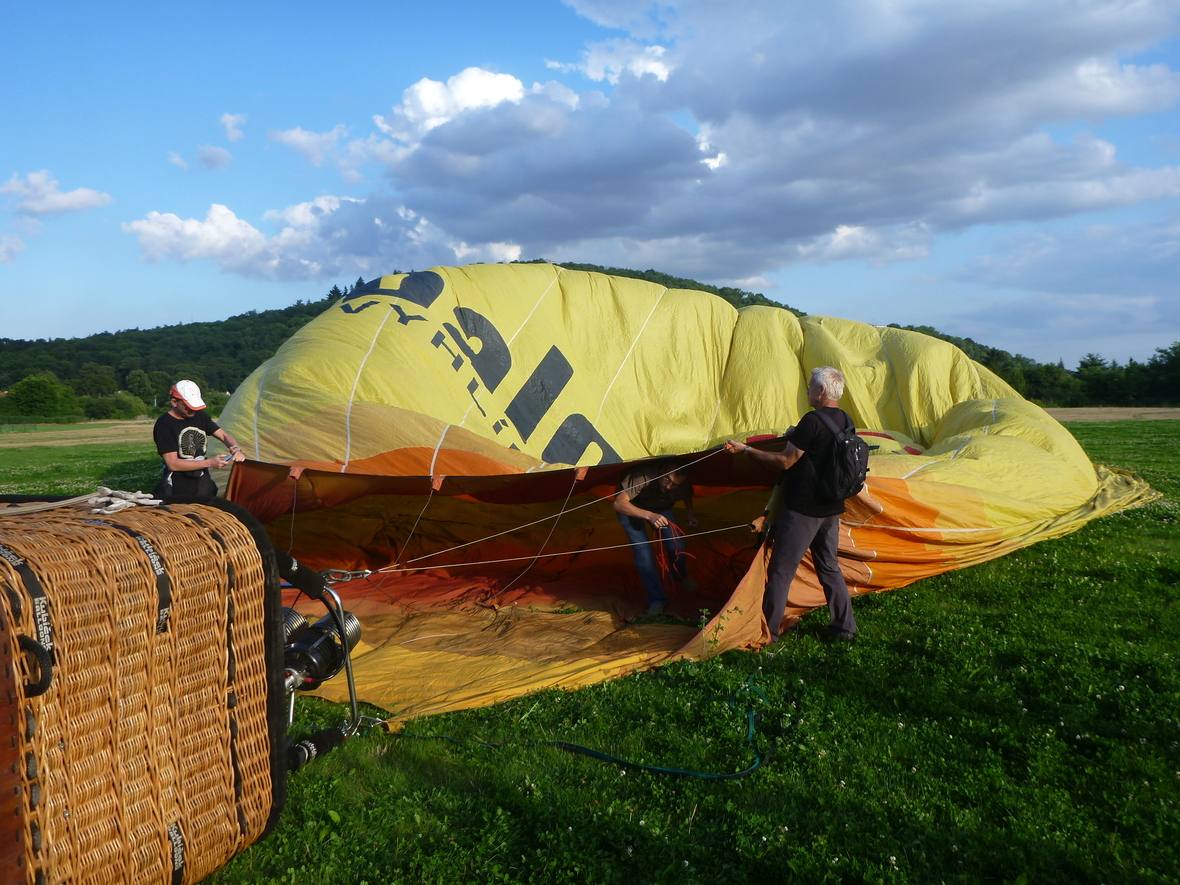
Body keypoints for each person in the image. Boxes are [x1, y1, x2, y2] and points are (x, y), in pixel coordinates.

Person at [725, 366, 859, 642]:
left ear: (821, 391)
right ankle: (845, 627)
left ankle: (769, 632)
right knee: (829, 566)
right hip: (831, 508)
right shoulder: (845, 419)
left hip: (803, 509)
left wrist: (747, 451)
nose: (808, 390)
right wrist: (796, 435)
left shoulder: (812, 421)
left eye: (811, 386)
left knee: (781, 571)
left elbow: (786, 461)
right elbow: (822, 450)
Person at [613, 462, 699, 615]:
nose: (668, 487)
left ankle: (681, 575)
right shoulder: (644, 475)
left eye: (674, 485)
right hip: (631, 507)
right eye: (667, 480)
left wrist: (690, 513)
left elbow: (686, 494)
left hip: (660, 506)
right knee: (643, 553)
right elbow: (619, 504)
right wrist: (649, 515)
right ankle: (657, 599)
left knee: (676, 543)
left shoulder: (682, 484)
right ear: (663, 470)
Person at [152, 379, 244, 502]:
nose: (192, 410)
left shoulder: (200, 416)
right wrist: (210, 463)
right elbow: (172, 463)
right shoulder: (164, 424)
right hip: (178, 483)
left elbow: (223, 435)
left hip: (201, 479)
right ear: (174, 402)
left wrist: (235, 448)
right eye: (188, 406)